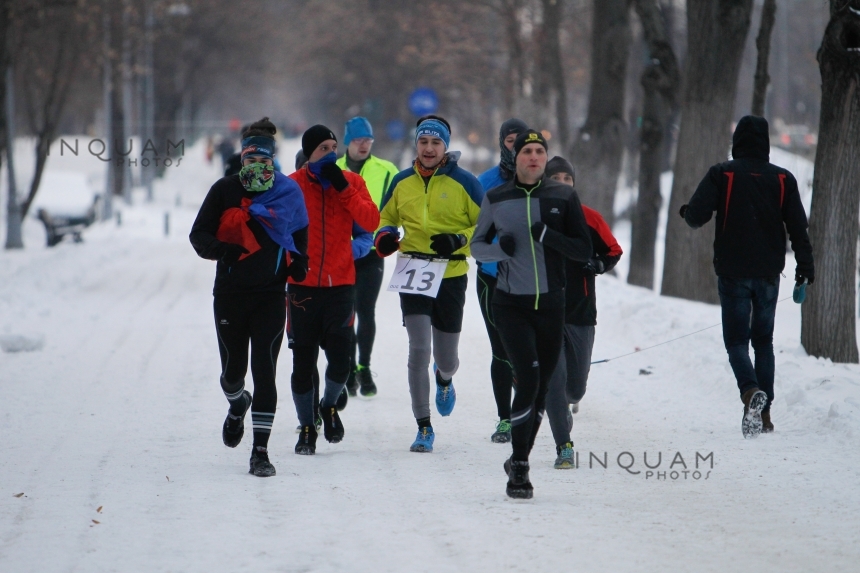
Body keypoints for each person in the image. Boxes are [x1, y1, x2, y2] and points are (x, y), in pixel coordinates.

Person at [471, 130, 592, 499]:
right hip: (511, 304)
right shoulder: (497, 197)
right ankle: (520, 466)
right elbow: (476, 246)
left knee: (539, 390)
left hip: (551, 303)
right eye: (527, 151)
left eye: (540, 151)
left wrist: (547, 237)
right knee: (528, 376)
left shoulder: (563, 197)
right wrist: (499, 250)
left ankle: (518, 454)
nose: (534, 157)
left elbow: (583, 248)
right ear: (516, 158)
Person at [680, 115, 813, 438]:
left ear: (737, 141)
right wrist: (805, 268)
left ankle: (750, 391)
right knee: (763, 342)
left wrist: (686, 211)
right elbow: (798, 227)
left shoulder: (722, 173)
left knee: (737, 341)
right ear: (766, 142)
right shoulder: (783, 179)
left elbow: (696, 217)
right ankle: (763, 416)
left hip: (732, 271)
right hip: (768, 273)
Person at [190, 118, 309, 477]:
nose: (257, 166)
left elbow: (300, 233)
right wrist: (222, 251)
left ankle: (260, 452)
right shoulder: (224, 191)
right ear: (242, 159)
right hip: (229, 294)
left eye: (264, 161)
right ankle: (237, 403)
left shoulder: (287, 192)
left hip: (271, 294)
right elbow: (198, 235)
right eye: (250, 160)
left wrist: (298, 265)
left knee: (265, 372)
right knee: (232, 373)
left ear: (273, 160)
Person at [374, 115, 483, 453]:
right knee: (419, 348)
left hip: (450, 274)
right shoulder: (402, 181)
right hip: (413, 270)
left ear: (446, 147)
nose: (429, 148)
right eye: (424, 142)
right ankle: (423, 426)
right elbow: (385, 217)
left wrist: (457, 240)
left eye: (436, 143)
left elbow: (485, 228)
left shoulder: (466, 182)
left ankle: (445, 378)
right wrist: (386, 236)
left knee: (446, 357)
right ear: (416, 145)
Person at [288, 125, 380, 455]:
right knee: (303, 362)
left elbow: (370, 221)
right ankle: (308, 427)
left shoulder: (352, 183)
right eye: (322, 149)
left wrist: (344, 188)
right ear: (309, 153)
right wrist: (290, 260)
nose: (329, 154)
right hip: (301, 288)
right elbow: (276, 229)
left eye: (333, 147)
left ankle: (328, 405)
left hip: (341, 285)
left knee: (341, 361)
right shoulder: (292, 185)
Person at [542, 156, 622, 469]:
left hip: (580, 312)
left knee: (574, 387)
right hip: (544, 312)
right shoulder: (536, 216)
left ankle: (565, 406)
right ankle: (564, 445)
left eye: (567, 178)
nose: (562, 184)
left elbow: (613, 250)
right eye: (555, 178)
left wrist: (600, 264)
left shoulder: (589, 218)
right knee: (553, 380)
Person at [336, 117, 401, 398]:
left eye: (368, 140)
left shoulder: (387, 170)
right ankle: (348, 369)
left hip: (373, 251)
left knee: (365, 309)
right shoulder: (332, 169)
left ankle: (364, 366)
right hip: (340, 252)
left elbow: (399, 206)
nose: (364, 145)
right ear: (348, 142)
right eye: (358, 140)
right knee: (344, 312)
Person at [476, 118, 529, 443]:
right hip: (493, 279)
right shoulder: (486, 182)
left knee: (530, 349)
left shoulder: (543, 183)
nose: (517, 146)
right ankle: (505, 419)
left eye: (522, 140)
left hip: (532, 279)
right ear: (502, 143)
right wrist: (498, 250)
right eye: (511, 141)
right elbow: (475, 235)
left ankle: (537, 402)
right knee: (501, 350)